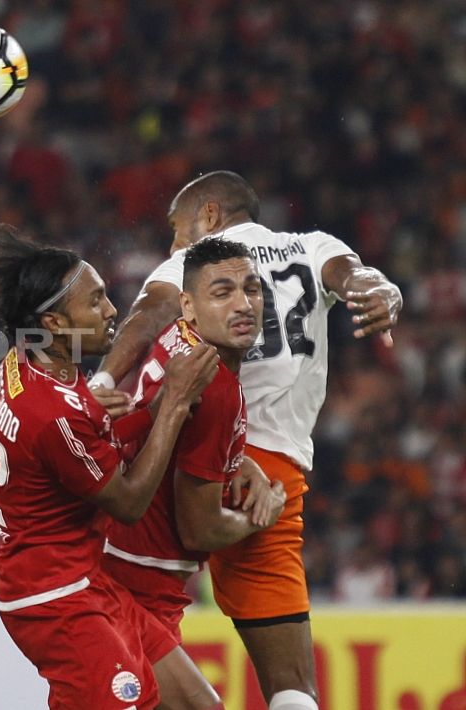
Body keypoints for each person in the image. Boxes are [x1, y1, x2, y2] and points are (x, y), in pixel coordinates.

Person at [91, 171, 403, 710]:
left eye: (176, 228)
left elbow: (150, 313)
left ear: (209, 215)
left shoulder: (207, 259)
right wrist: (383, 291)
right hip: (264, 470)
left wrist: (98, 383)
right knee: (292, 685)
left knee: (125, 635)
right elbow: (357, 277)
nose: (174, 243)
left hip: (178, 453)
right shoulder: (314, 247)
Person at [0, 223, 219, 709]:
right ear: (54, 325)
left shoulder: (26, 365)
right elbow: (127, 502)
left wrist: (144, 413)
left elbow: (84, 441)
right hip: (55, 598)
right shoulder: (54, 412)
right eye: (96, 301)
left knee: (197, 703)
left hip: (84, 576)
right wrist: (170, 406)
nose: (112, 311)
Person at [102, 237, 286, 647]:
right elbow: (199, 532)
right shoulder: (217, 388)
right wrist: (264, 515)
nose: (243, 305)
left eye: (251, 289)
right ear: (189, 305)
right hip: (140, 581)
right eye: (222, 293)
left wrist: (238, 461)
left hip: (110, 553)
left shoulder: (177, 336)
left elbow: (175, 429)